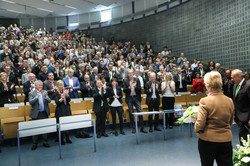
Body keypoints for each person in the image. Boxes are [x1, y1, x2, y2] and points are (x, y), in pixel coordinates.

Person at [195, 71, 234, 166]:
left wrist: (196, 129)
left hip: (208, 140)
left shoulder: (204, 101)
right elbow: (231, 121)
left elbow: (200, 123)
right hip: (226, 140)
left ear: (207, 85)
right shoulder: (229, 100)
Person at [29, 80, 51, 150]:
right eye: (39, 85)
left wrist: (46, 97)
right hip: (36, 114)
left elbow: (49, 101)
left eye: (41, 85)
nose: (41, 87)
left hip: (44, 113)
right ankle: (34, 143)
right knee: (35, 129)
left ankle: (45, 142)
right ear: (35, 86)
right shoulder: (31, 93)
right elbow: (30, 102)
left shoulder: (44, 92)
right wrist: (36, 97)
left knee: (45, 128)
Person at [123, 69, 147, 134]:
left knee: (140, 112)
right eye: (129, 73)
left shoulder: (136, 79)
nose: (130, 74)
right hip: (129, 98)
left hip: (136, 98)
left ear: (133, 73)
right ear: (127, 74)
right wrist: (129, 87)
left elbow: (140, 89)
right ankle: (133, 127)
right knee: (131, 113)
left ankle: (142, 127)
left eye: (131, 73)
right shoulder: (125, 81)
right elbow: (124, 90)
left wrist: (135, 86)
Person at [231, 69, 250, 145]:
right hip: (239, 117)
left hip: (247, 117)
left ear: (239, 76)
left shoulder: (248, 86)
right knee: (243, 138)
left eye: (233, 78)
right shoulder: (235, 86)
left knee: (243, 138)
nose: (232, 79)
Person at [54, 80, 72, 145]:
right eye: (60, 85)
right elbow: (57, 102)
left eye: (62, 85)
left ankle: (67, 137)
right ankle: (61, 139)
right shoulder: (56, 92)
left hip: (66, 108)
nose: (61, 86)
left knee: (67, 123)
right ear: (57, 86)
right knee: (61, 123)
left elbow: (69, 100)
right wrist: (62, 98)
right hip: (60, 109)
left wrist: (67, 95)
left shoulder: (65, 91)